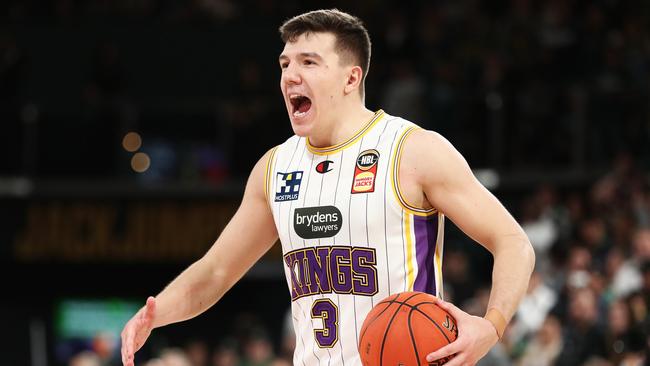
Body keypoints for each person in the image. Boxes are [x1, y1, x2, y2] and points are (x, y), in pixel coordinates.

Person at [120, 9, 535, 366]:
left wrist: (491, 325)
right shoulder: (275, 167)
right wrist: (155, 313)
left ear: (351, 77)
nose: (290, 75)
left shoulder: (413, 151)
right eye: (284, 64)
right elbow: (216, 271)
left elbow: (513, 243)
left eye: (309, 62)